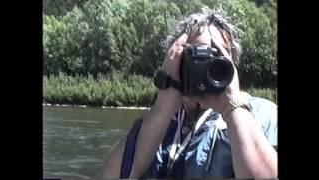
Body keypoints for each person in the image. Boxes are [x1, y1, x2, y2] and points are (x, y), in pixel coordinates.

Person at [103, 6, 277, 179]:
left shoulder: (261, 113)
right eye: (193, 56)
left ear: (231, 63)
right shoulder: (159, 119)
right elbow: (115, 176)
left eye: (214, 56)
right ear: (175, 60)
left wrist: (233, 106)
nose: (202, 66)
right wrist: (164, 103)